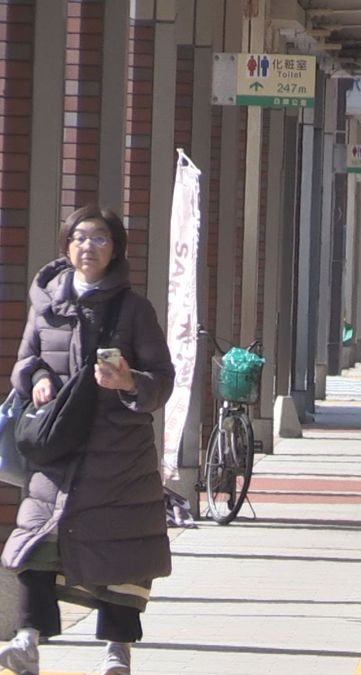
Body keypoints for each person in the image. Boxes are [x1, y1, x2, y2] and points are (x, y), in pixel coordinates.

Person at [0, 206, 176, 675]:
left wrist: (128, 382)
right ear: (66, 246)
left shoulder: (134, 309)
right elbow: (25, 361)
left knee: (125, 553)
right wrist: (36, 378)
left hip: (119, 456)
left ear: (115, 249)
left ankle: (117, 653)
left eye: (99, 239)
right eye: (79, 237)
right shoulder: (46, 307)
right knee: (35, 543)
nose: (88, 247)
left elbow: (162, 379)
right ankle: (26, 641)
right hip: (58, 450)